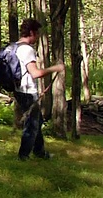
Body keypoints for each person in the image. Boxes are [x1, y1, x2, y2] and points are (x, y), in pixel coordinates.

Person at [14, 18, 65, 161]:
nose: (37, 37)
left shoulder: (14, 47)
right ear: (31, 32)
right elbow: (35, 73)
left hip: (19, 90)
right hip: (28, 92)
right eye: (36, 34)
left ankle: (40, 151)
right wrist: (56, 68)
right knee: (32, 125)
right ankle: (23, 156)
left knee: (37, 121)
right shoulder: (27, 50)